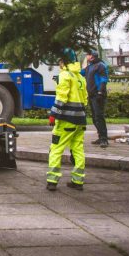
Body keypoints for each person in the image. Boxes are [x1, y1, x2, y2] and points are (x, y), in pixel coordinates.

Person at [47, 48, 88, 191]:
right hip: (80, 121)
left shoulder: (65, 75)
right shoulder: (80, 77)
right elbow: (85, 100)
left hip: (66, 120)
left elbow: (61, 97)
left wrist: (53, 114)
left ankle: (52, 181)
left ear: (63, 61)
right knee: (78, 150)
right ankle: (78, 181)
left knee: (56, 149)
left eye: (60, 60)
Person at [81, 50, 109, 147]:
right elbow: (81, 73)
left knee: (99, 117)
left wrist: (100, 92)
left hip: (98, 95)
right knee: (94, 118)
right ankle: (100, 136)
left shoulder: (100, 65)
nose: (86, 57)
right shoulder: (89, 67)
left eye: (87, 55)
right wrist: (85, 62)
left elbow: (104, 79)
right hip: (91, 95)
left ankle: (104, 139)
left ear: (92, 56)